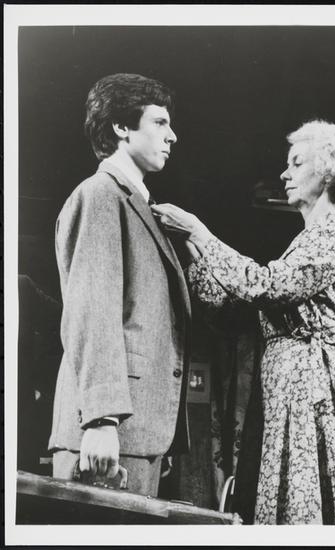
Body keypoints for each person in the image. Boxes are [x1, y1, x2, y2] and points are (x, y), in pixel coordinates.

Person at [152, 120, 335, 524]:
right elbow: (231, 307)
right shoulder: (307, 239)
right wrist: (190, 248)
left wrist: (200, 234)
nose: (285, 174)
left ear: (329, 171)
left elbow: (266, 286)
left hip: (315, 384)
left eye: (297, 163)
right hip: (286, 382)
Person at [48, 73, 191, 497]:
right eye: (160, 123)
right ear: (122, 127)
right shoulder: (100, 195)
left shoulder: (137, 205)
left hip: (137, 434)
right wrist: (101, 420)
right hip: (107, 432)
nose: (172, 136)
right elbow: (92, 313)